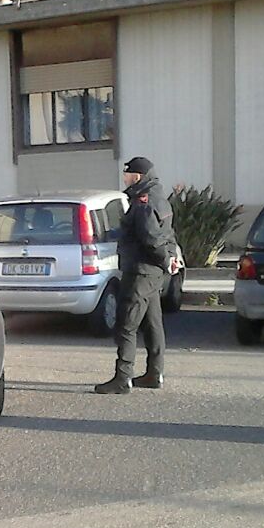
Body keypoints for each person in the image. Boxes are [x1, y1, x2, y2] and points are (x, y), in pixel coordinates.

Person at [94, 156, 180, 394]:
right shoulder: (159, 198)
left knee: (126, 325)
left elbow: (150, 238)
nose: (124, 178)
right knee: (153, 324)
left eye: (127, 174)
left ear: (138, 176)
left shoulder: (143, 202)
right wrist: (171, 257)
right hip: (152, 273)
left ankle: (122, 378)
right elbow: (169, 234)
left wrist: (165, 259)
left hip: (140, 272)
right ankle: (154, 373)